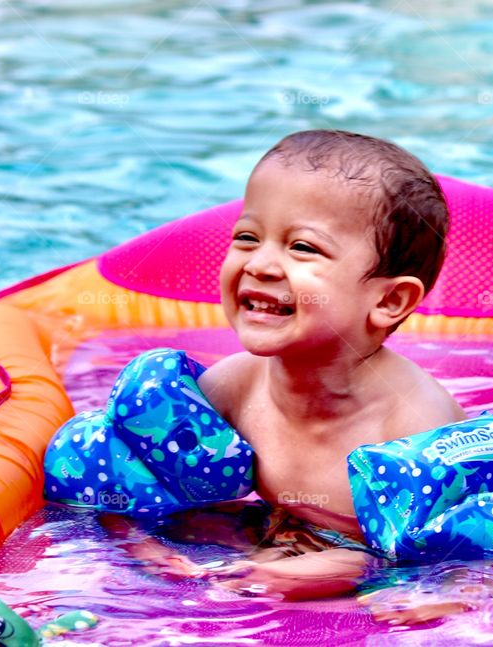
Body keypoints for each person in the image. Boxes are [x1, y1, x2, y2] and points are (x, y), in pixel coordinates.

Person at [193, 129, 465, 596]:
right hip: (276, 540)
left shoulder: (413, 427)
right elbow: (146, 493)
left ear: (390, 300)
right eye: (246, 237)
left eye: (302, 247)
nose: (260, 263)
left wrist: (359, 570)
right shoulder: (232, 389)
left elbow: (462, 569)